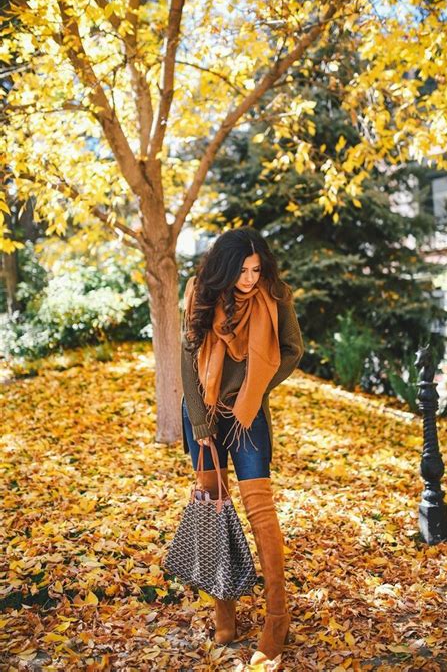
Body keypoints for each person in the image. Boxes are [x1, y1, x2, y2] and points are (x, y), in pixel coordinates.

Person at [180, 226, 304, 668]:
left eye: (256, 269)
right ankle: (224, 606)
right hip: (204, 415)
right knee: (214, 507)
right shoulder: (199, 290)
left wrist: (255, 389)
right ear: (226, 267)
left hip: (247, 417)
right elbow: (186, 354)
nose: (250, 278)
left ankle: (277, 615)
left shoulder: (275, 294)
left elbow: (293, 350)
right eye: (243, 270)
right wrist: (199, 421)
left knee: (260, 511)